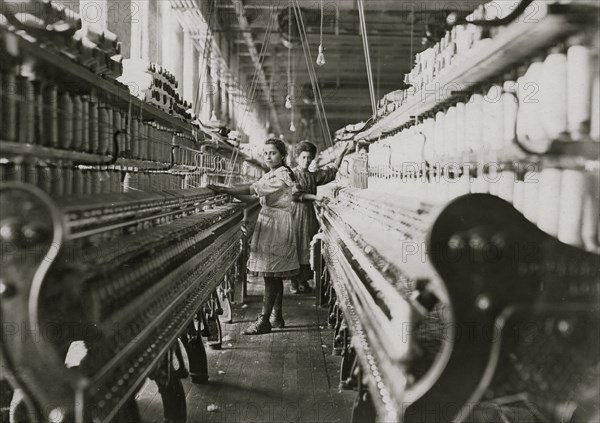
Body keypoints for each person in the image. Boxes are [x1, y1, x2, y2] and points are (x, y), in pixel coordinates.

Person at [207, 138, 299, 335]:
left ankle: (264, 320)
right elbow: (252, 197)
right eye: (265, 153)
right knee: (274, 273)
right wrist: (231, 194)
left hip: (277, 224)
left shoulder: (282, 175)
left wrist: (225, 188)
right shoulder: (270, 174)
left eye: (273, 153)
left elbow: (252, 189)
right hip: (270, 221)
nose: (268, 156)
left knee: (270, 273)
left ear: (282, 155)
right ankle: (277, 316)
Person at [288, 141, 350, 294]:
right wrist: (315, 198)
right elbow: (294, 194)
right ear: (297, 157)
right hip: (295, 213)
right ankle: (293, 282)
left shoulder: (312, 175)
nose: (306, 161)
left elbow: (330, 172)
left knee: (308, 245)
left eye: (309, 158)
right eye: (303, 157)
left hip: (308, 214)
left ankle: (302, 280)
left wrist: (342, 152)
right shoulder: (291, 173)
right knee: (295, 244)